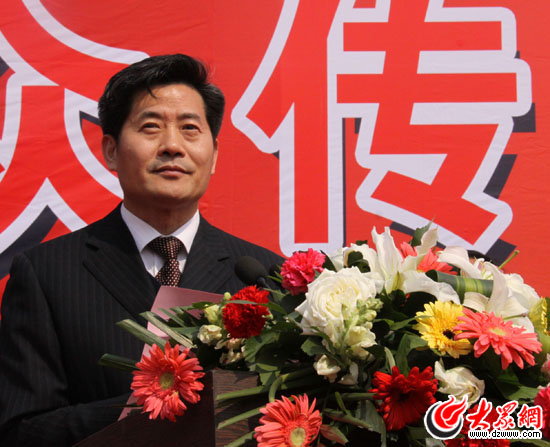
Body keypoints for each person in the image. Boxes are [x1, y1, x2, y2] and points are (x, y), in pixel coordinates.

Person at [0, 54, 283, 446]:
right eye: (151, 127)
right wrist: (149, 407)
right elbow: (20, 430)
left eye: (190, 129)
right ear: (111, 151)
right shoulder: (46, 273)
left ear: (214, 154)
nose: (172, 146)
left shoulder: (266, 276)